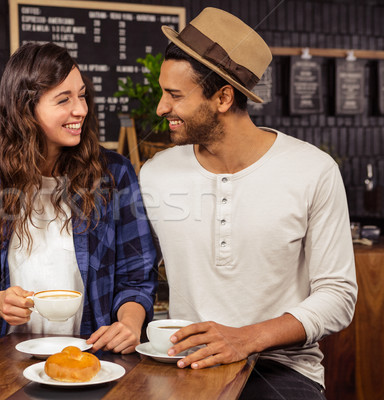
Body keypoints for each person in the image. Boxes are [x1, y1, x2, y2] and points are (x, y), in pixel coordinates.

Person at [139, 7, 357, 400]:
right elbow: (135, 272)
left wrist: (247, 338)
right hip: (183, 363)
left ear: (223, 97)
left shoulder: (313, 170)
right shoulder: (155, 174)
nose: (160, 108)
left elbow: (338, 296)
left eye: (174, 95)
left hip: (282, 368)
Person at [0, 42, 157, 357]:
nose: (80, 109)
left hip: (90, 360)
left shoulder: (114, 175)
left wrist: (130, 324)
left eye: (81, 95)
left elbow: (137, 275)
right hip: (2, 361)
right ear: (25, 108)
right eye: (63, 99)